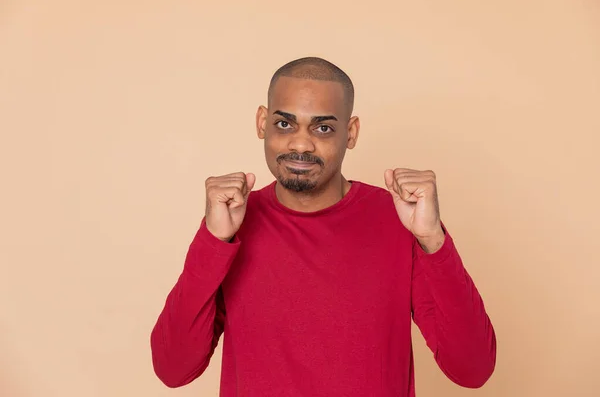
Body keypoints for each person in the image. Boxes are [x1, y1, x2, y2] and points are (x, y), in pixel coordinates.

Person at [150, 57, 496, 396]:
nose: (300, 144)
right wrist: (213, 241)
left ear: (351, 132)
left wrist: (432, 240)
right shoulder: (231, 223)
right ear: (262, 122)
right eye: (285, 124)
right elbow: (174, 369)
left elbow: (472, 369)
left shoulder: (400, 219)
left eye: (323, 128)